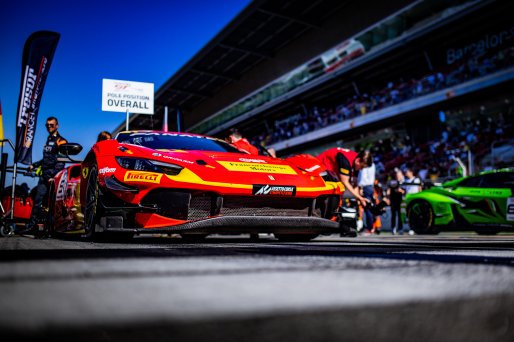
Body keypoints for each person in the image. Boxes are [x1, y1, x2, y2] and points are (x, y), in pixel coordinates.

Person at [18, 116, 67, 234]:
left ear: (57, 126)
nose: (49, 127)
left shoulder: (62, 141)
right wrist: (34, 165)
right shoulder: (48, 139)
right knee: (38, 201)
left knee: (51, 204)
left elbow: (61, 161)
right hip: (44, 176)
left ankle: (51, 229)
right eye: (47, 125)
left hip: (52, 178)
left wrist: (53, 176)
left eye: (51, 125)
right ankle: (32, 226)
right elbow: (46, 159)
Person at [357, 162, 376, 235]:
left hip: (365, 187)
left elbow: (363, 177)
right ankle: (371, 227)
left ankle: (369, 228)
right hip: (370, 186)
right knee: (370, 208)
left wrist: (361, 188)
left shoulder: (365, 164)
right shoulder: (373, 164)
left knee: (367, 208)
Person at [386, 168, 405, 235]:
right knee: (393, 215)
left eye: (399, 175)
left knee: (400, 215)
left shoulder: (404, 182)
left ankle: (400, 229)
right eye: (397, 175)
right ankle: (393, 228)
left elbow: (405, 191)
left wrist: (401, 191)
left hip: (401, 200)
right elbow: (388, 190)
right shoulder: (392, 181)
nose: (398, 176)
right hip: (393, 200)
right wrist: (387, 198)